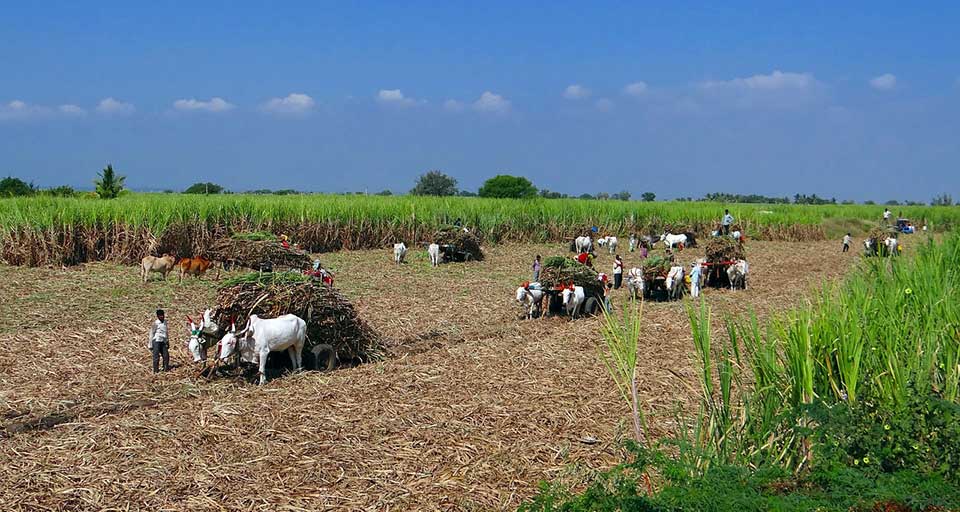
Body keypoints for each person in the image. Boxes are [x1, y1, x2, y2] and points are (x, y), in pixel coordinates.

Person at [147, 309, 170, 373]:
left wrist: (167, 341)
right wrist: (150, 344)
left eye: (162, 315)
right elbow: (152, 333)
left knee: (166, 355)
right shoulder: (156, 323)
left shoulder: (165, 322)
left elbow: (166, 332)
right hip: (156, 340)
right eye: (160, 316)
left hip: (163, 341)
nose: (162, 317)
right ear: (157, 316)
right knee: (156, 356)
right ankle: (156, 370)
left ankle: (165, 368)